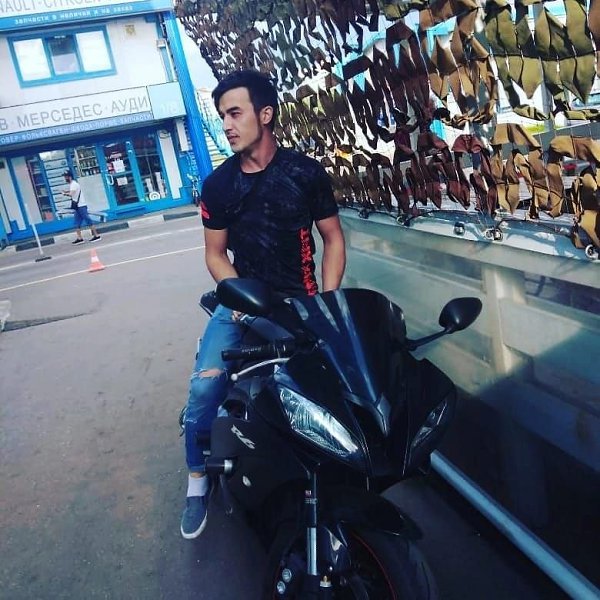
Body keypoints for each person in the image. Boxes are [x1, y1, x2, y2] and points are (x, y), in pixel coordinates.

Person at [180, 69, 346, 539]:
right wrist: (241, 297)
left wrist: (327, 303)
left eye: (235, 113)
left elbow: (332, 239)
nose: (226, 125)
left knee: (328, 387)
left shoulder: (305, 173)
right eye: (222, 116)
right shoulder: (218, 186)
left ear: (265, 114)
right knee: (204, 390)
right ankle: (197, 478)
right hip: (241, 301)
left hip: (301, 302)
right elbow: (215, 254)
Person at [62, 169, 101, 244]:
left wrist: (64, 194)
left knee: (88, 220)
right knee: (76, 222)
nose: (65, 178)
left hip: (81, 206)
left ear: (69, 177)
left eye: (66, 177)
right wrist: (66, 192)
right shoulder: (72, 184)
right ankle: (79, 238)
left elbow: (71, 194)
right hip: (78, 207)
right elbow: (73, 192)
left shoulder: (74, 184)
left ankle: (96, 235)